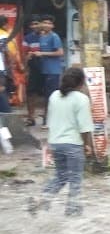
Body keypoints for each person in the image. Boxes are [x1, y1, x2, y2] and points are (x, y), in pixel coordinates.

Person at [28, 67, 95, 216]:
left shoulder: (54, 96)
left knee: (61, 176)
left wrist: (50, 144)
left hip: (56, 143)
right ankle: (72, 214)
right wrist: (87, 145)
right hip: (73, 144)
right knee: (75, 180)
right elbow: (85, 127)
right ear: (81, 82)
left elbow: (51, 121)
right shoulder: (82, 99)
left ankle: (40, 199)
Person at [25, 16, 63, 127]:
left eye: (49, 23)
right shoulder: (41, 37)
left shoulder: (54, 36)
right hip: (42, 70)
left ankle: (48, 120)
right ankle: (35, 118)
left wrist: (42, 54)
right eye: (44, 23)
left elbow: (60, 52)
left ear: (52, 26)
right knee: (36, 93)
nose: (46, 25)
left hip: (52, 71)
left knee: (50, 96)